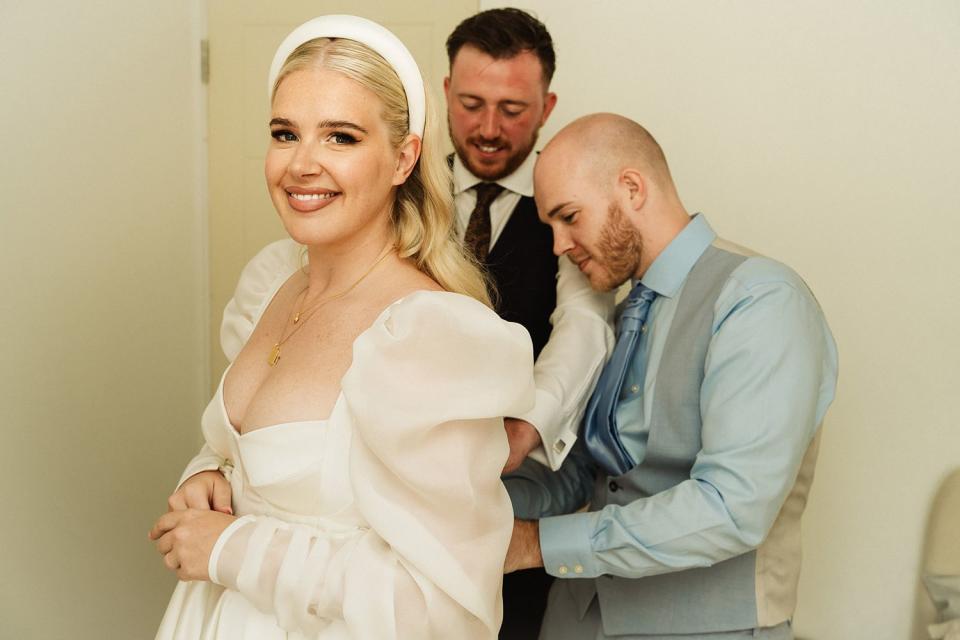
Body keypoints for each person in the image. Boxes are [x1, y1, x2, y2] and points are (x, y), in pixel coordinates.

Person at [149, 15, 535, 639]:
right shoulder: (278, 285)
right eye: (285, 133)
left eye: (341, 138)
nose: (302, 164)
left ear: (404, 157)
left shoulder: (428, 333)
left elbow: (440, 607)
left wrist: (232, 550)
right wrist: (207, 478)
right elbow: (263, 451)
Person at [503, 113, 839, 639]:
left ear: (632, 188)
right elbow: (591, 474)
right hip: (574, 618)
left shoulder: (760, 301)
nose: (558, 246)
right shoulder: (620, 311)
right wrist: (469, 501)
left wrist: (536, 544)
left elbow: (732, 507)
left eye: (569, 217)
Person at [443, 10, 614, 637]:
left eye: (513, 110)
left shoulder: (564, 203)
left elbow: (587, 323)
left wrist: (526, 427)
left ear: (547, 106)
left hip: (519, 501)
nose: (489, 129)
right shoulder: (403, 192)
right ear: (445, 95)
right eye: (471, 104)